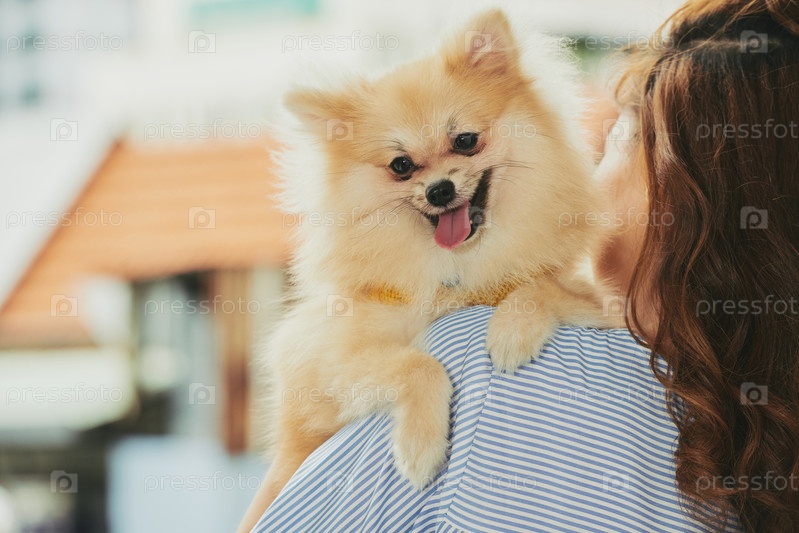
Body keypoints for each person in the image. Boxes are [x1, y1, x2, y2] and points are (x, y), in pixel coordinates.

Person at [241, 0, 799, 530]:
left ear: (695, 205)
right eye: (403, 167)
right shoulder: (745, 436)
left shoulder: (490, 366)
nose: (591, 162)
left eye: (621, 138)